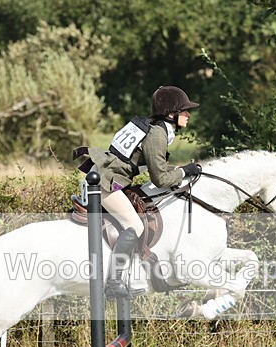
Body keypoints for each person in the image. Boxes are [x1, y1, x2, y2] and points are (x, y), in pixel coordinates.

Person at [76, 86, 202, 299]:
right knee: (134, 224)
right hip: (106, 182)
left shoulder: (154, 127)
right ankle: (113, 283)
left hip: (107, 176)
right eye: (184, 110)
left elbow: (157, 168)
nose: (188, 114)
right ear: (171, 113)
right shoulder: (157, 134)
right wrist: (183, 172)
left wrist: (181, 170)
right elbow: (160, 179)